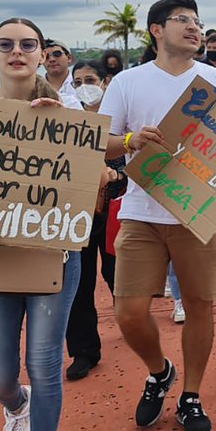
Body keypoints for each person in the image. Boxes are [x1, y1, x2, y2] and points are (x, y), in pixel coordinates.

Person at [99, 0, 216, 431]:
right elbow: (99, 142)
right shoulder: (128, 82)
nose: (194, 27)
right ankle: (159, 371)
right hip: (142, 212)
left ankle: (191, 394)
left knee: (200, 303)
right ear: (156, 31)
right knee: (129, 311)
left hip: (198, 212)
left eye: (198, 21)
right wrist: (129, 141)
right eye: (182, 20)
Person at [0, 18, 85, 431]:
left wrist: (61, 137)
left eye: (27, 44)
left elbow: (87, 187)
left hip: (53, 255)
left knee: (45, 363)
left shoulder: (68, 114)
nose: (16, 51)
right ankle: (16, 405)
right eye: (6, 44)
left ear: (41, 54)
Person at [64, 60, 127, 381]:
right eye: (77, 81)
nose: (83, 85)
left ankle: (130, 322)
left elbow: (136, 159)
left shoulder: (121, 119)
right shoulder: (65, 119)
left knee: (117, 273)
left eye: (90, 79)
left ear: (104, 82)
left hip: (116, 208)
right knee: (78, 280)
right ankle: (83, 350)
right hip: (77, 213)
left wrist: (116, 176)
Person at [42, 39, 77, 104]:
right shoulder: (35, 87)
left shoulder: (80, 84)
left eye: (57, 54)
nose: (51, 59)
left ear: (69, 58)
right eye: (46, 56)